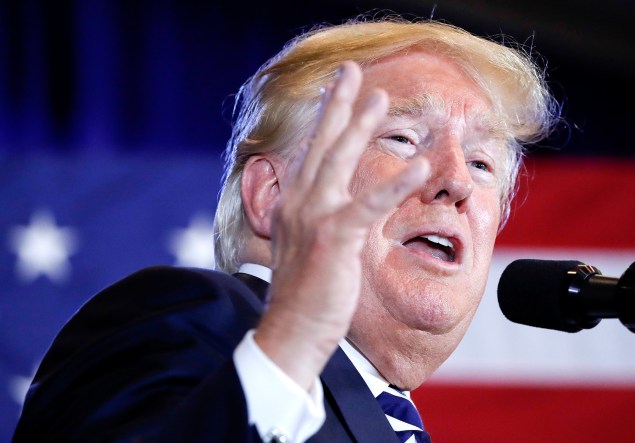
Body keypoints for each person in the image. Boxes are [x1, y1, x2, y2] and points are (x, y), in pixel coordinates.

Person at [12, 16, 556, 443]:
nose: (457, 181)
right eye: (404, 139)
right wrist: (294, 334)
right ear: (272, 195)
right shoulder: (193, 319)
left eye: (483, 165)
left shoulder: (386, 418)